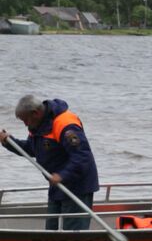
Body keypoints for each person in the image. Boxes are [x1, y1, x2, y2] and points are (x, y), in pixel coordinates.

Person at [0, 95, 99, 230]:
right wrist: (8, 141)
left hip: (77, 185)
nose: (25, 124)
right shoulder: (38, 125)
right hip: (57, 185)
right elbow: (31, 149)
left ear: (36, 113)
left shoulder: (65, 124)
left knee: (72, 231)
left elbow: (83, 156)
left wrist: (62, 175)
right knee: (51, 227)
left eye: (25, 120)